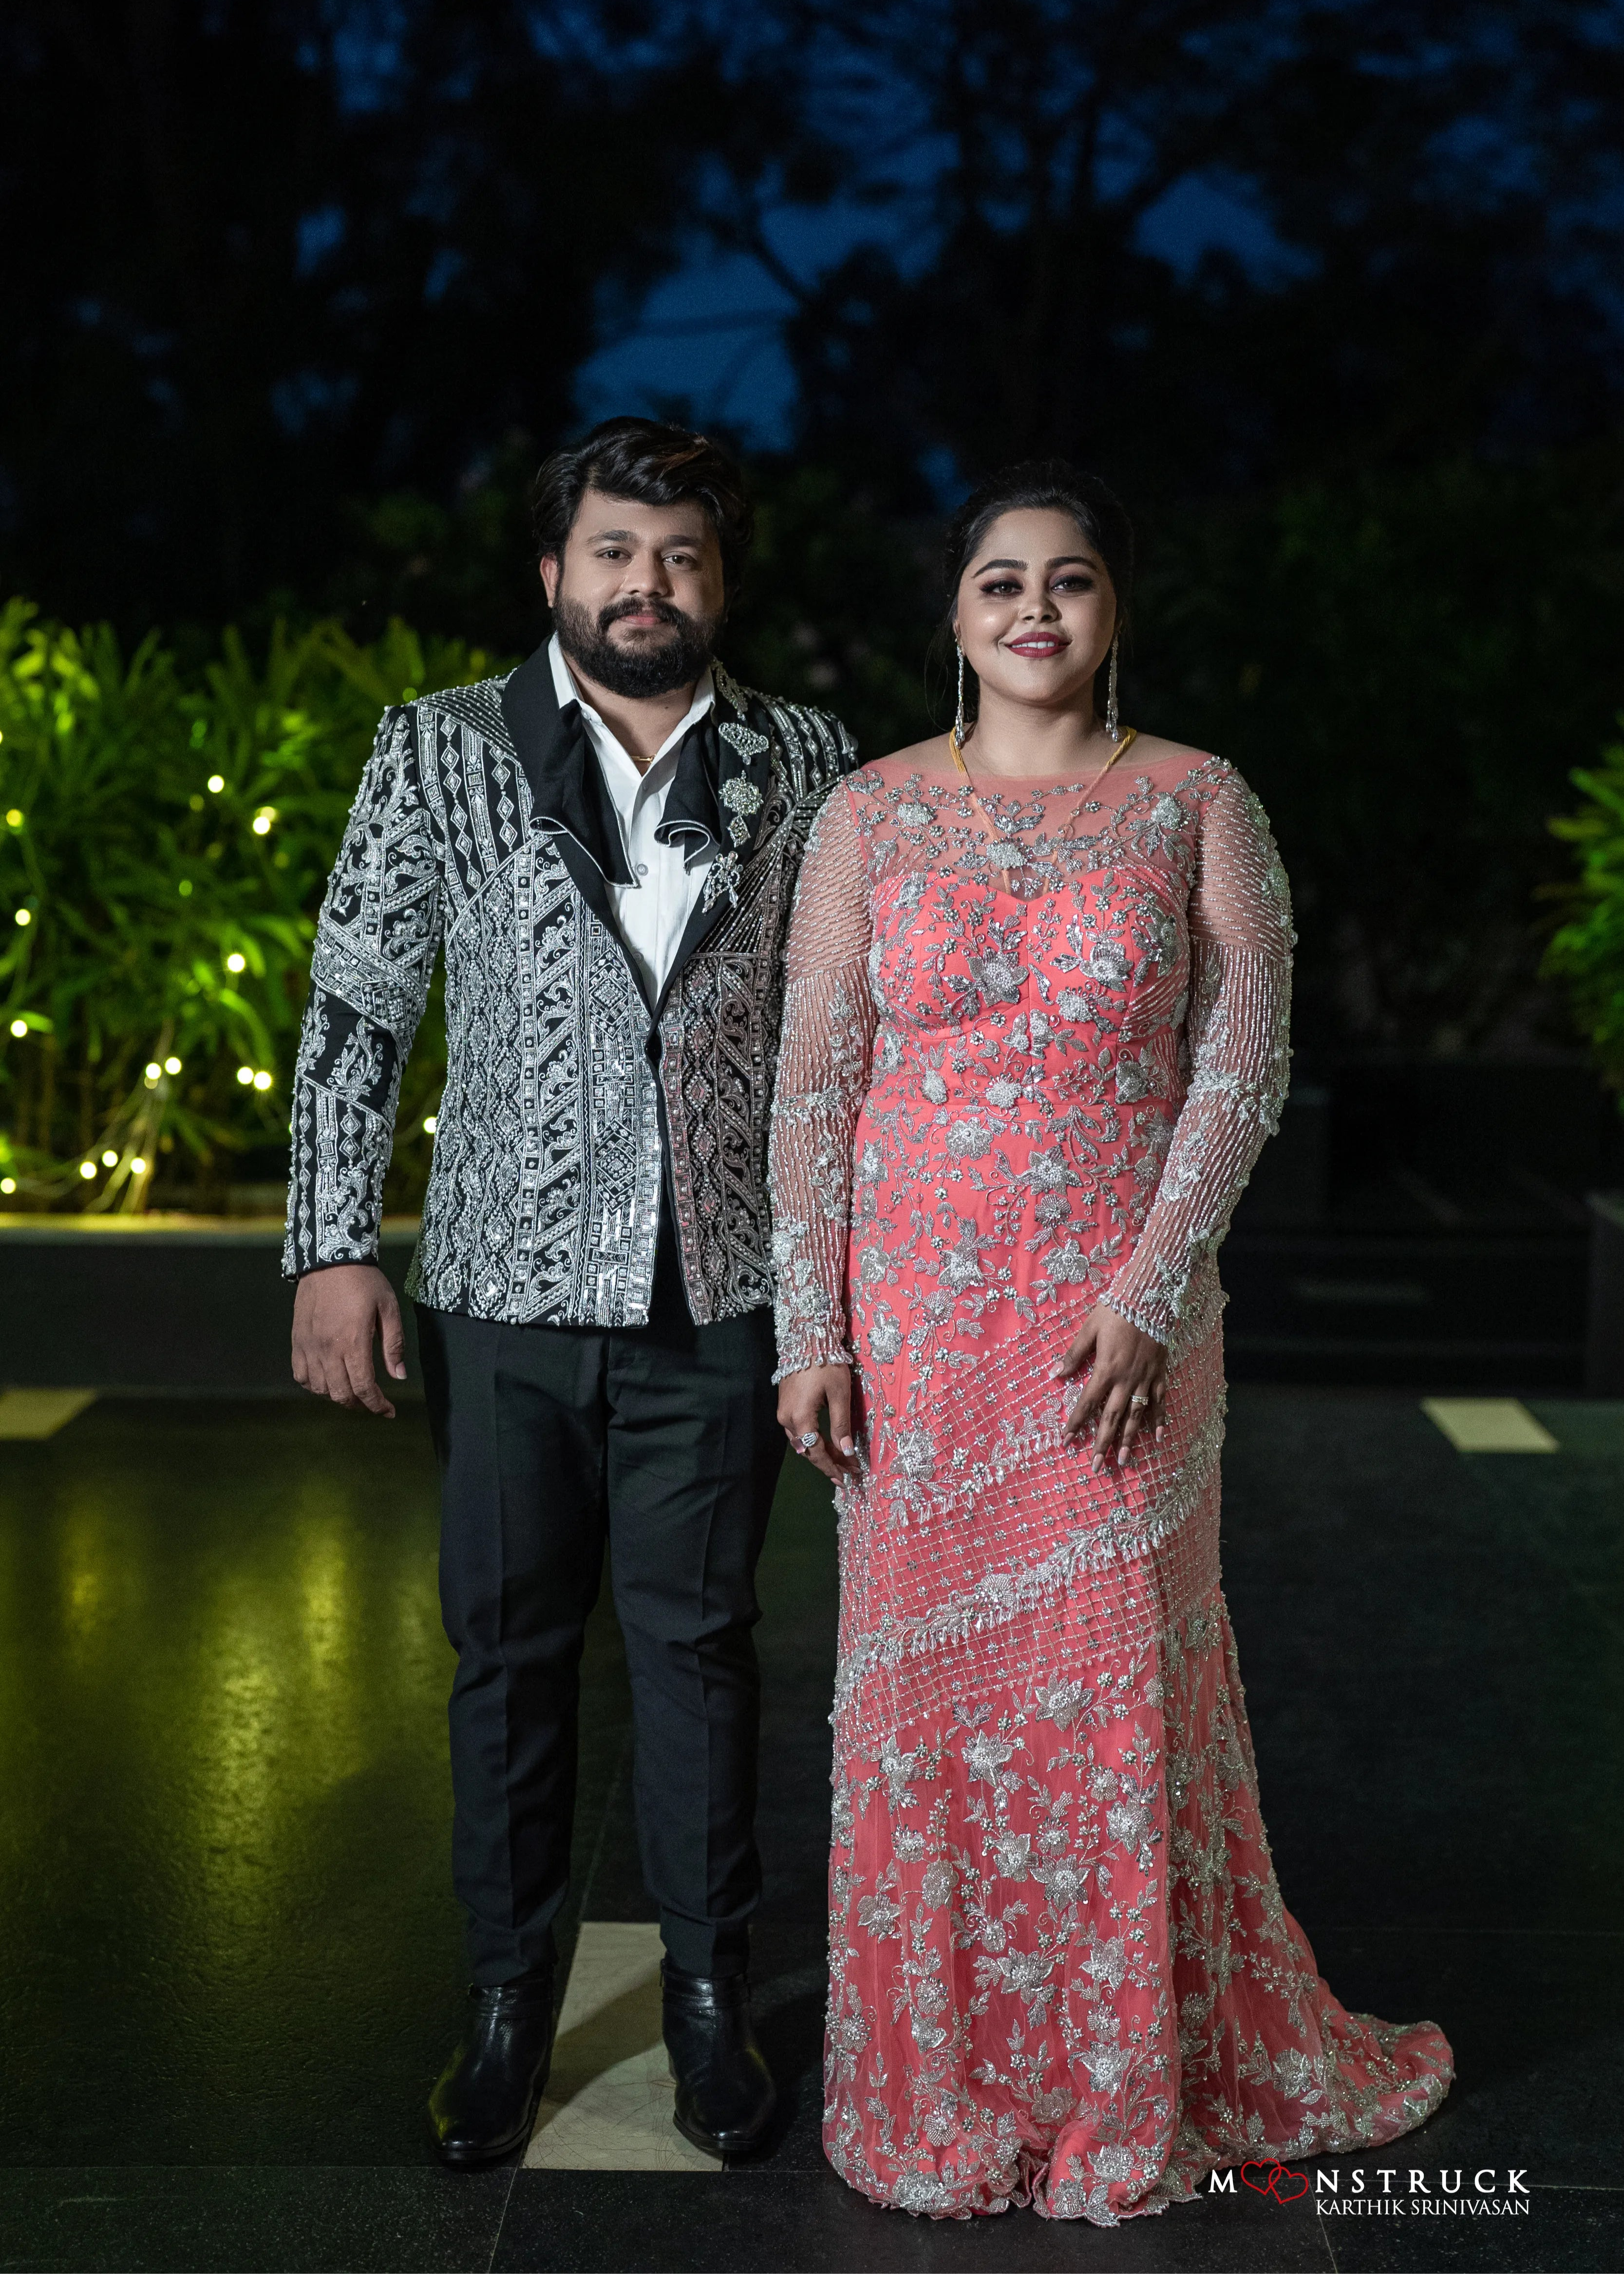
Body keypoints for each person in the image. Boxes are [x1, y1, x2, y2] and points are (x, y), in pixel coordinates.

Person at [769, 460, 1453, 2221]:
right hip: (915, 1333)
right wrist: (807, 1323)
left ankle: (1116, 2080)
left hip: (1114, 1332)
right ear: (954, 612)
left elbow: (1240, 1063)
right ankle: (943, 2081)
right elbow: (816, 1078)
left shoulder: (1199, 799)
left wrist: (1151, 1289)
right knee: (927, 1698)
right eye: (1000, 579)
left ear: (1113, 610)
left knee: (1109, 1683)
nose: (1033, 608)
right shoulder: (866, 814)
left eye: (1068, 579)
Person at [283, 418, 856, 2168]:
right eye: (613, 550)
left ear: (719, 580)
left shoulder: (809, 758)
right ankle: (504, 2000)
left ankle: (710, 2000)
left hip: (721, 1289)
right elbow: (358, 1003)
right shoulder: (438, 747)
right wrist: (330, 1245)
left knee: (701, 1651)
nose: (644, 584)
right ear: (553, 571)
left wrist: (848, 1290)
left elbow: (848, 1035)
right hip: (500, 1292)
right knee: (507, 1652)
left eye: (679, 555)